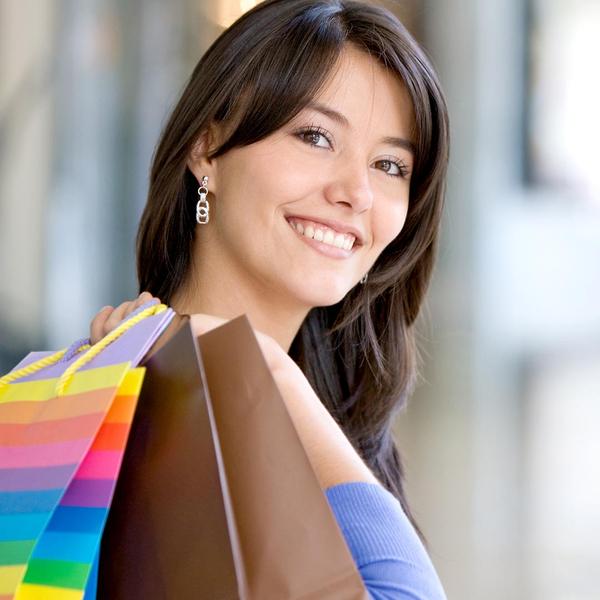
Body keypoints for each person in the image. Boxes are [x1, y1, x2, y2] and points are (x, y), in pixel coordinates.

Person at [89, 0, 450, 597]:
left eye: (390, 164)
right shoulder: (110, 412)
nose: (356, 192)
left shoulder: (323, 425)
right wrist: (268, 375)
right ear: (206, 147)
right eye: (315, 136)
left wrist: (275, 378)